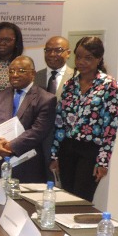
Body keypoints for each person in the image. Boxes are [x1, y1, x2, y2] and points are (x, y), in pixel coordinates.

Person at [50, 37, 118, 201]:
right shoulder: (69, 84)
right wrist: (54, 155)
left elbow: (110, 127)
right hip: (67, 148)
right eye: (78, 57)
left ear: (98, 59)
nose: (81, 62)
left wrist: (103, 162)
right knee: (66, 198)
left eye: (88, 58)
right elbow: (60, 122)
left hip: (90, 151)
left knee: (81, 199)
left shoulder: (109, 85)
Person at [0, 56, 56, 183]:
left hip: (26, 164)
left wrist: (8, 146)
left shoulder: (46, 99)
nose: (14, 75)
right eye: (11, 71)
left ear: (33, 74)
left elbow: (38, 131)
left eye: (21, 71)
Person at [35, 36, 74, 181]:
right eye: (48, 50)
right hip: (37, 142)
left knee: (60, 185)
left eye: (58, 50)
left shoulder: (76, 77)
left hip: (63, 144)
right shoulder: (35, 76)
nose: (52, 54)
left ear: (68, 53)